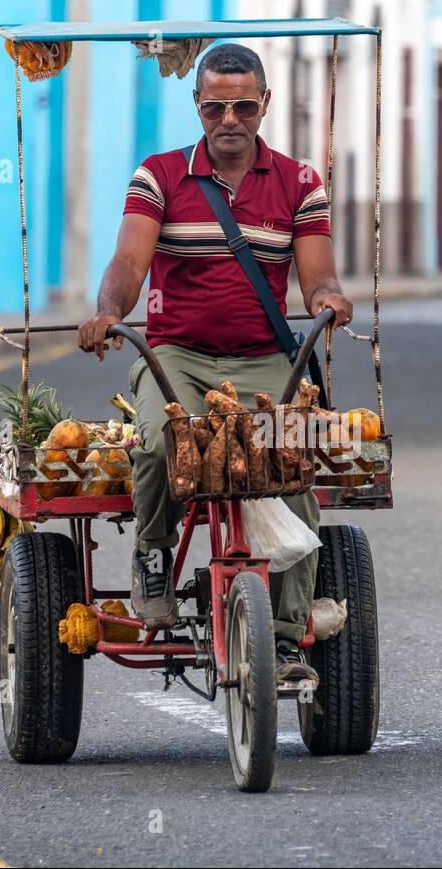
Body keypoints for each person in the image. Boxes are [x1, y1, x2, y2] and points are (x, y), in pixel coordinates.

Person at [77, 43, 352, 686]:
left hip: (264, 362)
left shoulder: (300, 182)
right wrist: (108, 310)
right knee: (159, 445)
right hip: (176, 357)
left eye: (242, 105)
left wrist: (328, 300)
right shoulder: (160, 176)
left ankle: (286, 638)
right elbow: (127, 264)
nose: (229, 118)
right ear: (196, 107)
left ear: (264, 106)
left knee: (293, 457)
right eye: (215, 106)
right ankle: (152, 555)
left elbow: (318, 275)